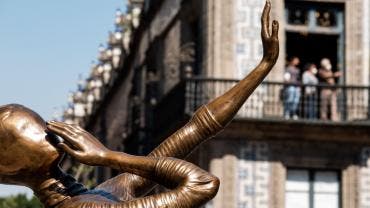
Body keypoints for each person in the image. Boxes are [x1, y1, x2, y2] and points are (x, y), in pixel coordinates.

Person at [0, 2, 279, 207]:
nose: (50, 129)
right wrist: (106, 156)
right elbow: (202, 184)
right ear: (13, 165)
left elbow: (198, 128)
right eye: (35, 128)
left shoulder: (105, 191)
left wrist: (262, 67)